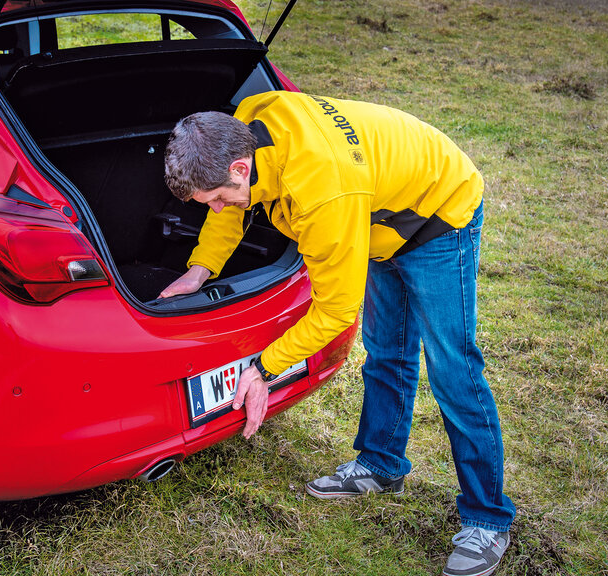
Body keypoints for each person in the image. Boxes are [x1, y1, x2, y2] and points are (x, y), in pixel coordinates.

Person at [161, 90, 515, 576]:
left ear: (241, 168)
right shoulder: (243, 124)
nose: (218, 209)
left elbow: (334, 312)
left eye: (220, 197)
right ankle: (381, 464)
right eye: (209, 203)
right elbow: (233, 212)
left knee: (453, 368)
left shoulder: (321, 190)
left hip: (437, 214)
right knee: (387, 352)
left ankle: (487, 520)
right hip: (377, 212)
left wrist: (262, 368)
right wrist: (199, 270)